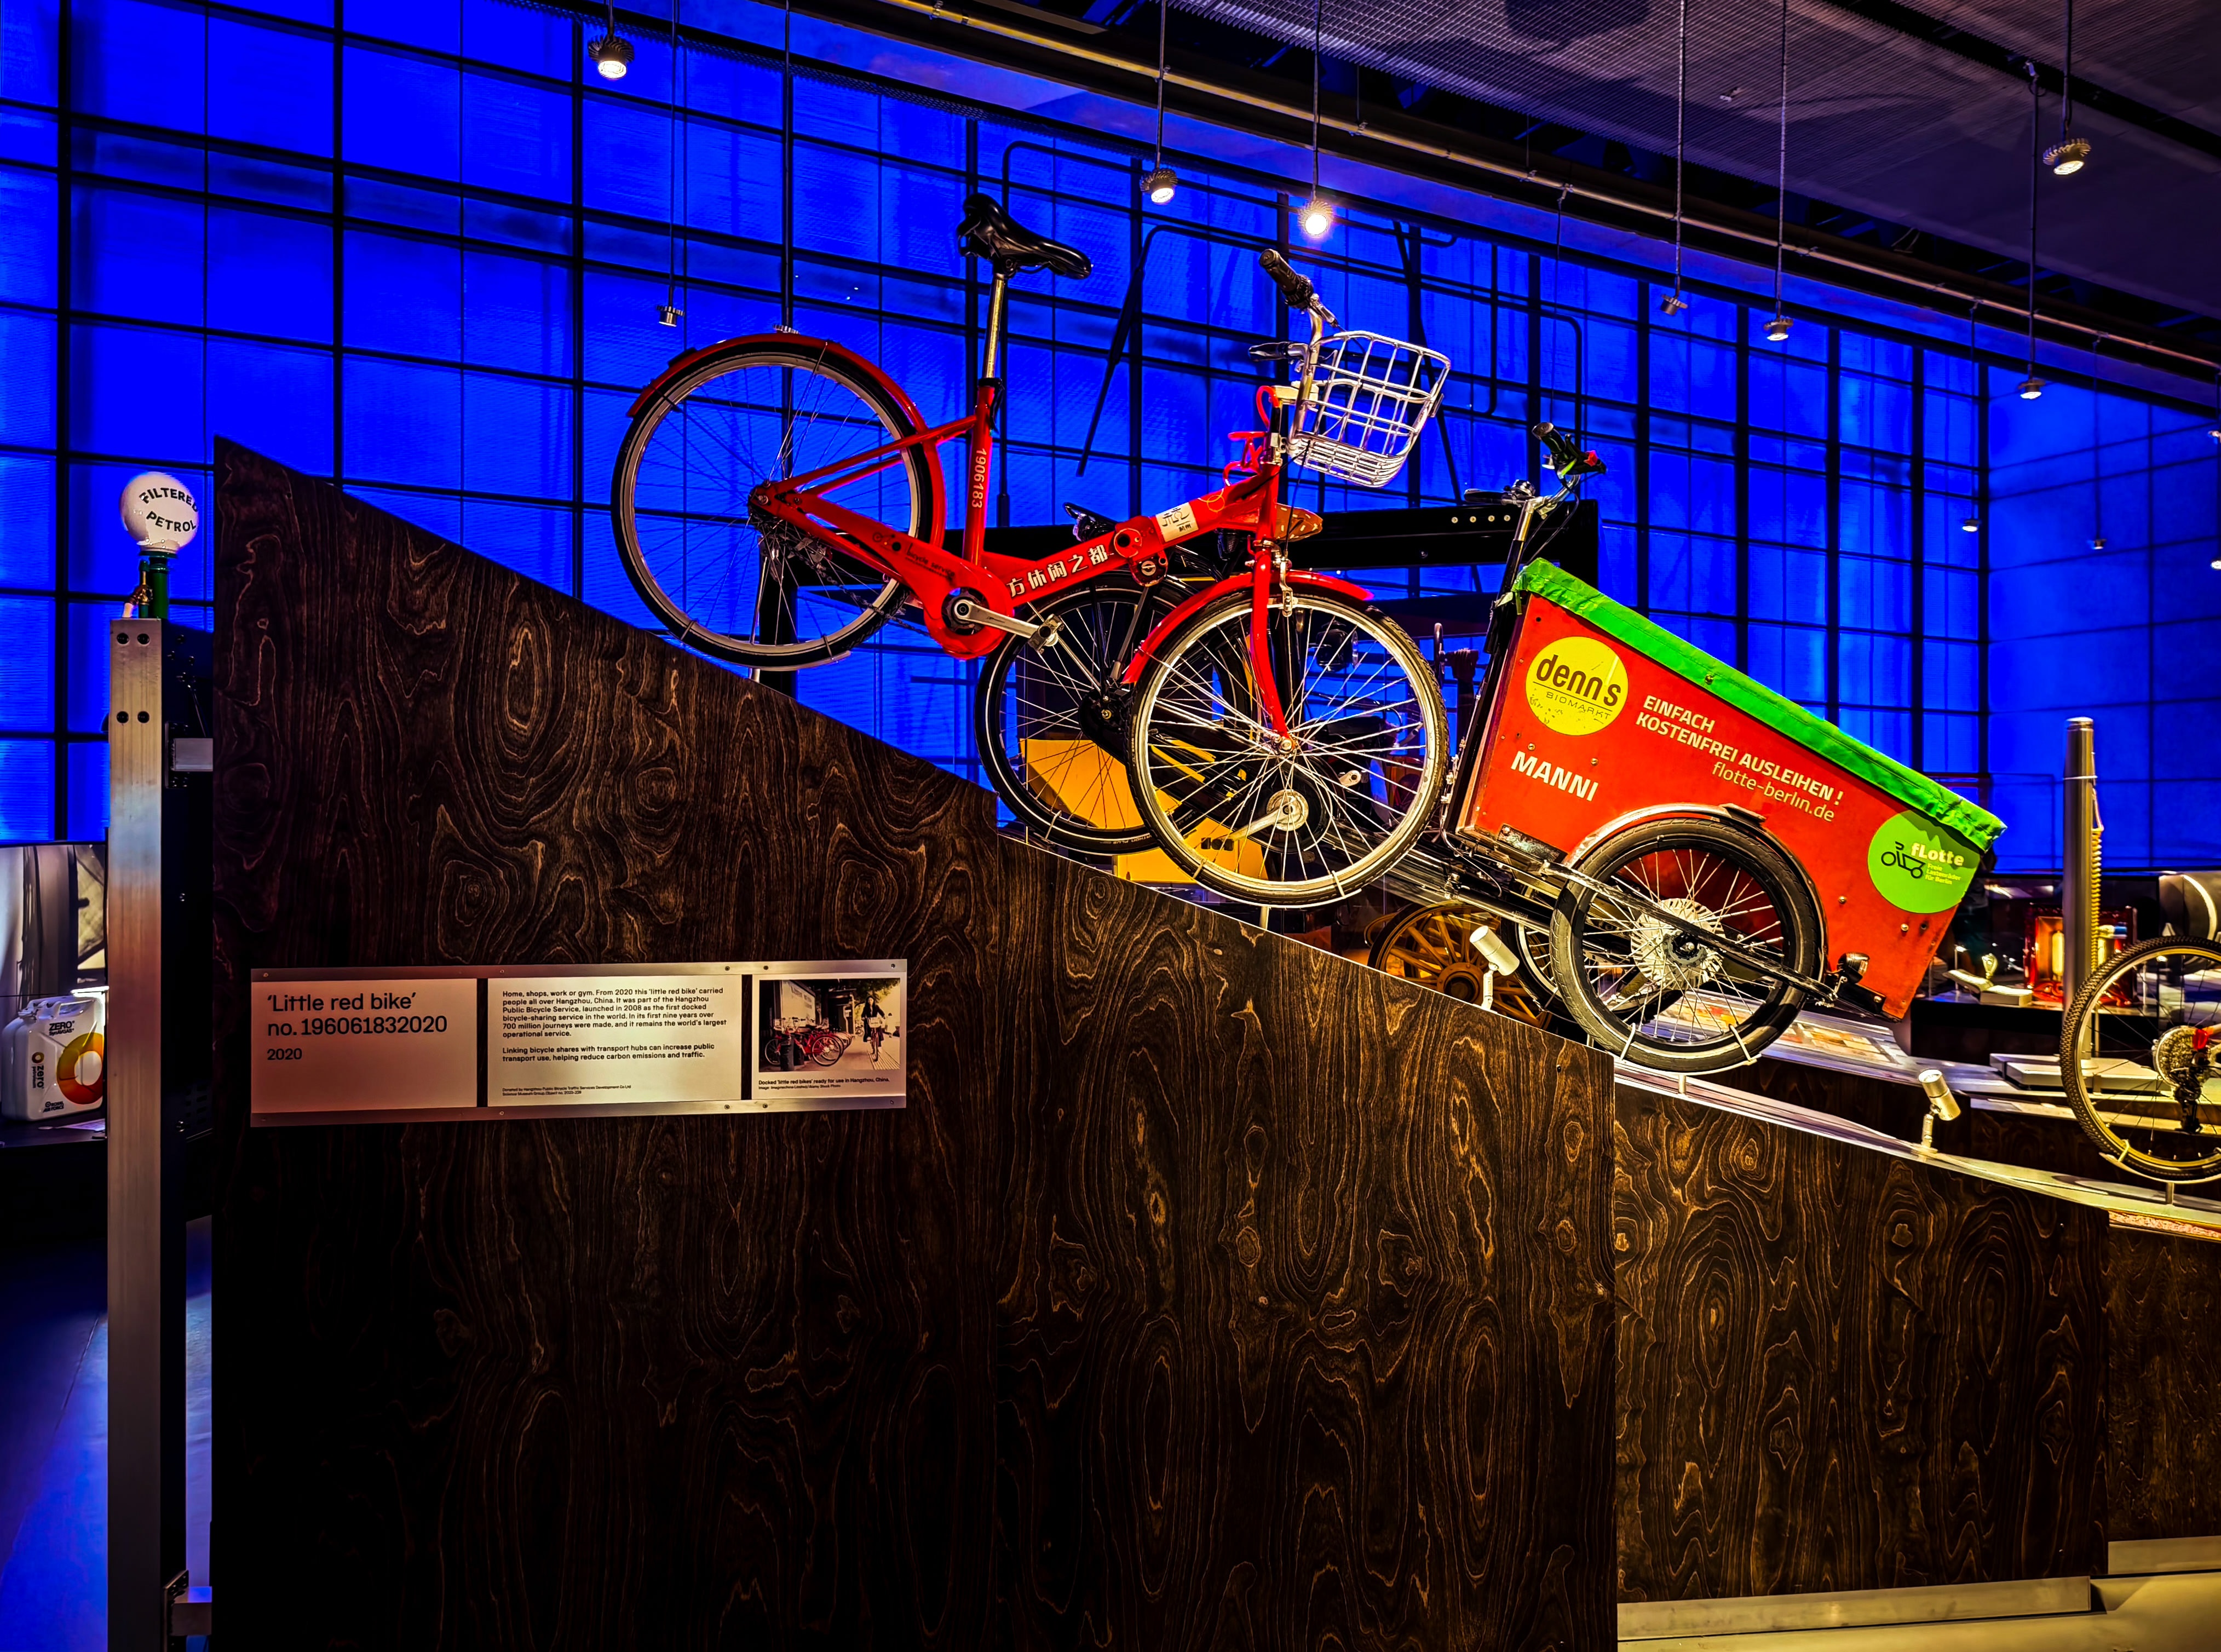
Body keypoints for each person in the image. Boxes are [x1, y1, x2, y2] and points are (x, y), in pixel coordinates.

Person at [863, 997, 890, 1065]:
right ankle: (869, 1036)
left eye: (871, 1000)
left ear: (873, 1001)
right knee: (867, 1025)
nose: (870, 1001)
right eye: (869, 1000)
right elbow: (863, 1014)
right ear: (867, 1001)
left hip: (875, 1021)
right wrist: (863, 1017)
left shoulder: (876, 1007)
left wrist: (884, 1016)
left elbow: (881, 1012)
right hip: (870, 1021)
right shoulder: (866, 1008)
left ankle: (880, 1046)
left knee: (879, 1029)